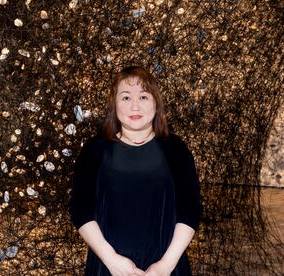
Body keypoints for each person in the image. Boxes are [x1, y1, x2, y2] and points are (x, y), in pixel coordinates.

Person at [69, 66, 202, 276]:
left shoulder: (175, 149)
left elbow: (190, 209)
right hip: (108, 267)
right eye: (125, 98)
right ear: (114, 105)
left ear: (156, 103)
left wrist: (165, 266)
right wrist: (111, 260)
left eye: (143, 96)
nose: (134, 106)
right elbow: (80, 209)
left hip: (166, 267)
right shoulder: (95, 149)